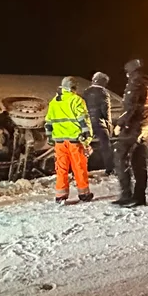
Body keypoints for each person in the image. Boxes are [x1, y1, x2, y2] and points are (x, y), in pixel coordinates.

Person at [113, 58, 148, 208]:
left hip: (134, 127)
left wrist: (120, 124)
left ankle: (127, 195)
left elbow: (130, 106)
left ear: (130, 71)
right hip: (147, 125)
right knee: (139, 161)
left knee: (120, 157)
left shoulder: (135, 82)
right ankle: (139, 197)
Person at [44, 76, 95, 205]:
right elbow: (84, 121)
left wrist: (50, 138)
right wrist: (87, 138)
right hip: (75, 140)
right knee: (79, 167)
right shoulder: (76, 100)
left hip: (59, 141)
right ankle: (84, 194)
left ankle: (61, 195)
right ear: (73, 87)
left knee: (61, 168)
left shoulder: (54, 102)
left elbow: (48, 123)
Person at [84, 71, 114, 175]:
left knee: (84, 146)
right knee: (106, 146)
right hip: (99, 122)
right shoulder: (104, 92)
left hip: (87, 122)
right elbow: (105, 110)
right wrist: (109, 124)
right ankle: (110, 169)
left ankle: (81, 170)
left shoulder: (86, 92)